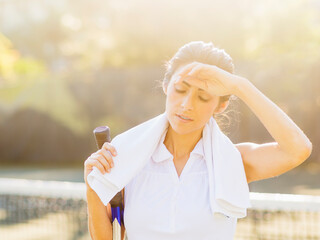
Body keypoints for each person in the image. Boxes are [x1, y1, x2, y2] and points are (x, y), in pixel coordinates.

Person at [84, 41, 312, 240]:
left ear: (221, 105)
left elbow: (298, 150)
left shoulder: (234, 162)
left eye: (203, 97)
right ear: (166, 86)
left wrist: (239, 86)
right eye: (180, 89)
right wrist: (93, 184)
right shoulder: (130, 156)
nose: (187, 105)